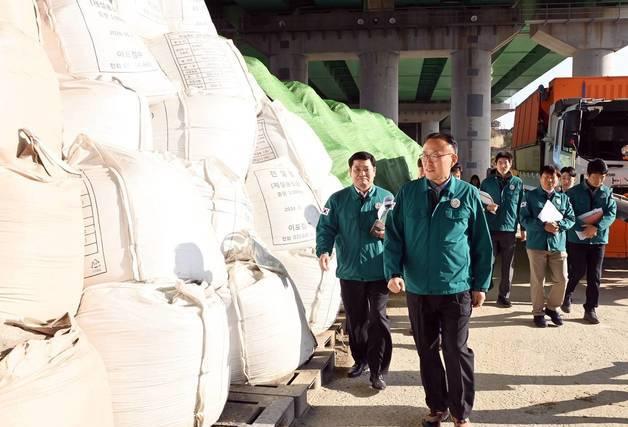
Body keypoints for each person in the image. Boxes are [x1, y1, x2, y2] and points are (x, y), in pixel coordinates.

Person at [385, 133, 492, 427]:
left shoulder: (468, 194)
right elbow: (393, 237)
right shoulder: (407, 193)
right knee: (427, 351)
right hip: (418, 289)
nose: (428, 161)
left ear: (452, 159)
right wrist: (393, 272)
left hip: (456, 288)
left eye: (436, 155)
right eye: (425, 155)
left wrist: (480, 284)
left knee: (456, 351)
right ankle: (437, 406)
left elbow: (482, 243)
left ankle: (460, 412)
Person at [316, 151, 393, 391]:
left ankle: (378, 370)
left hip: (378, 270)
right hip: (349, 271)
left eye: (366, 169)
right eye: (357, 169)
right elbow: (325, 228)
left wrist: (386, 232)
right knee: (356, 320)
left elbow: (399, 228)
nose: (362, 174)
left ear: (374, 171)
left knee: (378, 319)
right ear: (350, 172)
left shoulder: (387, 198)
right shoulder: (337, 200)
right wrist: (324, 250)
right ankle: (360, 360)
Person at [519, 165, 575, 328]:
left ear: (557, 179)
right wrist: (542, 225)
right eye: (546, 177)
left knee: (562, 279)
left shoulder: (563, 198)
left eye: (553, 177)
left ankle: (552, 307)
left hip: (558, 244)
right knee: (538, 280)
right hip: (536, 244)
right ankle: (538, 313)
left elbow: (571, 218)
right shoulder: (529, 196)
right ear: (540, 177)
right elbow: (523, 219)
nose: (549, 180)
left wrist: (560, 224)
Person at [562, 159, 617, 324]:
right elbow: (567, 213)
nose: (599, 180)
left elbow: (611, 213)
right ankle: (567, 295)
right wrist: (583, 227)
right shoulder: (573, 192)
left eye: (602, 177)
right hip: (577, 239)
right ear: (587, 175)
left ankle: (590, 309)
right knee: (577, 271)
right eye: (596, 176)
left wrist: (597, 227)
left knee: (595, 275)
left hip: (598, 240)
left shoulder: (607, 193)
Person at [480, 151, 525, 308]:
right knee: (487, 262)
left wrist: (523, 228)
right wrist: (487, 208)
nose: (503, 165)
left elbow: (521, 206)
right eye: (500, 162)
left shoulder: (518, 183)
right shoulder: (487, 182)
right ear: (495, 164)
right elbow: (479, 203)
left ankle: (504, 296)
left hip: (509, 230)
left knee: (508, 266)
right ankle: (482, 291)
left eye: (506, 162)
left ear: (510, 164)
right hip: (490, 228)